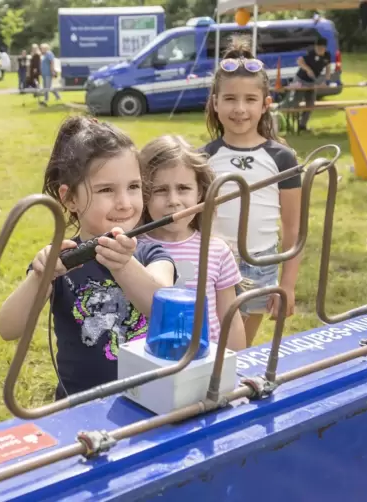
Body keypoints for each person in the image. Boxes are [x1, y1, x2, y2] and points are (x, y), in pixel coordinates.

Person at [0, 116, 176, 400]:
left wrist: (124, 265)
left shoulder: (150, 253)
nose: (125, 203)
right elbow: (7, 328)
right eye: (106, 190)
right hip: (79, 408)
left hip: (149, 400)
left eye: (133, 187)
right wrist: (41, 277)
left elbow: (165, 310)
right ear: (70, 199)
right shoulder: (61, 259)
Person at [201, 36, 302, 347]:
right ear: (215, 103)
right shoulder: (201, 158)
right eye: (230, 99)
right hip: (213, 265)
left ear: (265, 105)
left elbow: (293, 227)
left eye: (249, 100)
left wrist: (287, 283)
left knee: (238, 350)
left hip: (260, 264)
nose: (240, 109)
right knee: (211, 347)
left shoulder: (282, 158)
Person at [139, 135, 246, 352]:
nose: (173, 201)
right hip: (151, 360)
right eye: (160, 190)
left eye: (183, 188)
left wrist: (236, 366)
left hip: (207, 362)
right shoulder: (132, 249)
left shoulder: (216, 251)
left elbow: (231, 320)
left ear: (200, 192)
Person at [292, 38, 331, 132]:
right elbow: (299, 61)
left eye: (321, 48)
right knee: (296, 102)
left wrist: (325, 81)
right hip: (301, 80)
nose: (319, 50)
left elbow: (328, 68)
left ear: (325, 48)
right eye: (317, 48)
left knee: (310, 104)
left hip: (312, 82)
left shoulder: (327, 56)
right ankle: (293, 126)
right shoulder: (310, 53)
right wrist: (307, 69)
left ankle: (302, 125)